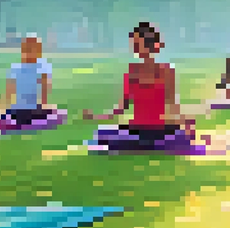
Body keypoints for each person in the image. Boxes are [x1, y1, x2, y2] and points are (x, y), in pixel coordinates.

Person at [83, 22, 196, 151]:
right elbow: (122, 107)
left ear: (150, 46)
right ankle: (139, 144)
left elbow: (173, 104)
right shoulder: (131, 72)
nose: (135, 49)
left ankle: (143, 144)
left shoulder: (167, 72)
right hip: (137, 128)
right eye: (134, 45)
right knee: (101, 133)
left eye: (137, 45)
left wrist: (185, 122)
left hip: (159, 129)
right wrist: (97, 117)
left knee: (115, 142)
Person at [3, 34, 55, 124]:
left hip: (22, 110)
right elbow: (45, 90)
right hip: (26, 110)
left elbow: (44, 90)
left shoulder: (16, 68)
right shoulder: (42, 67)